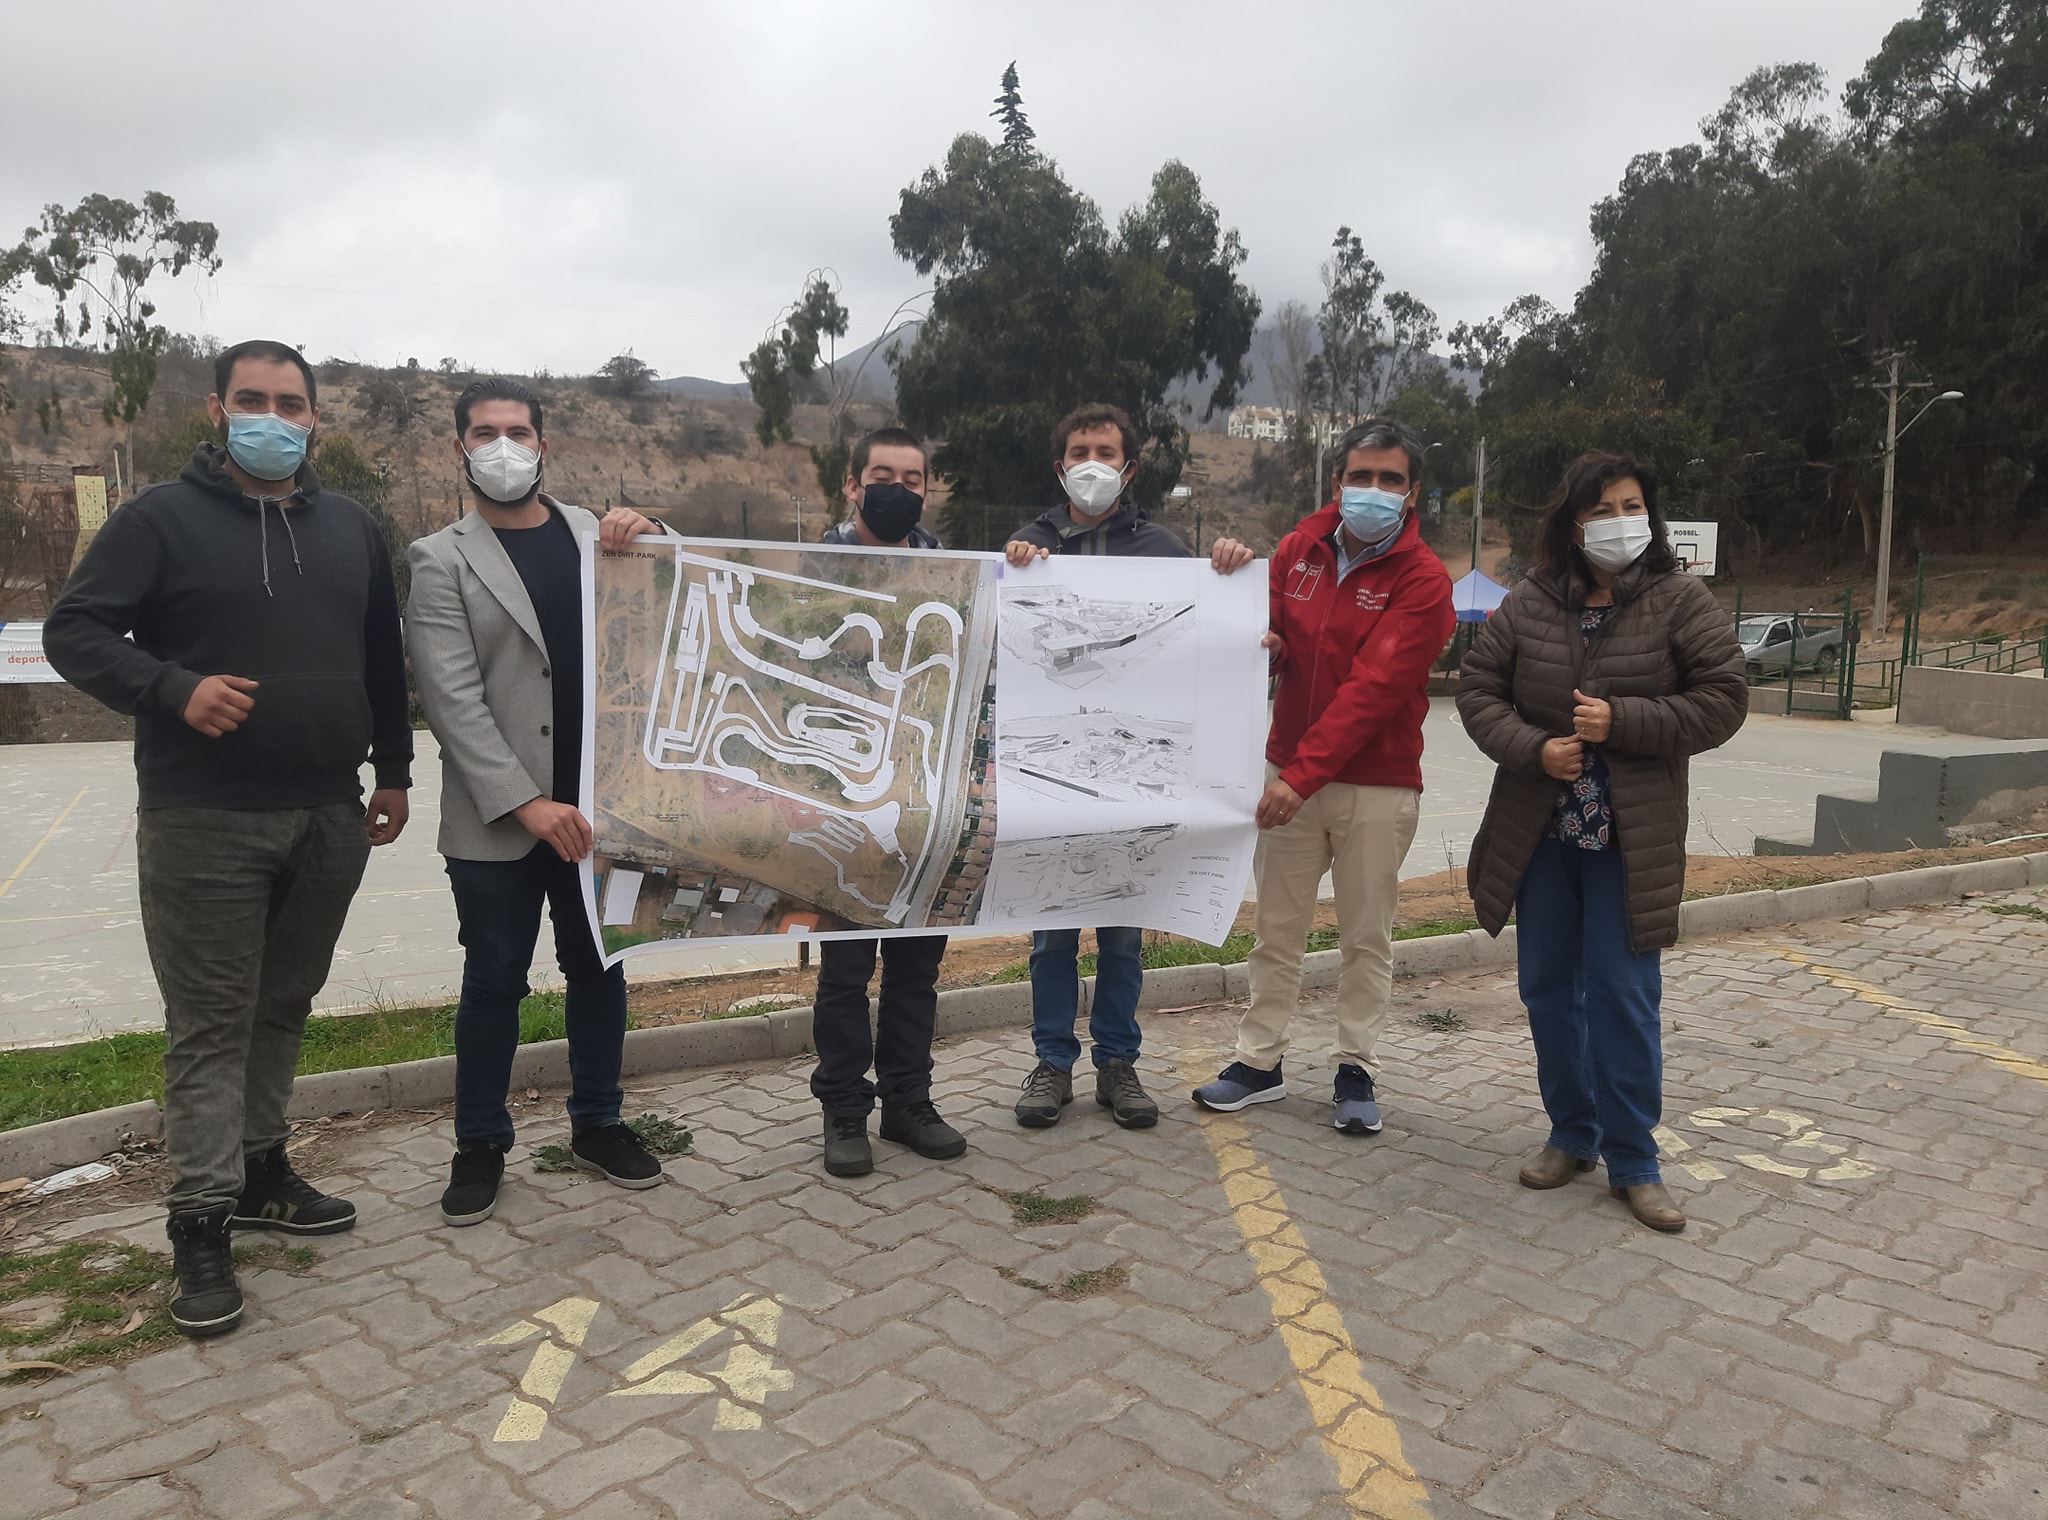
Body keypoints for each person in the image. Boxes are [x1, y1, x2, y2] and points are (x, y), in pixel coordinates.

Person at [44, 339, 413, 1337]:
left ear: (315, 421)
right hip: (202, 817)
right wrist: (172, 688)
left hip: (330, 811)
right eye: (251, 399)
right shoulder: (158, 518)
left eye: (289, 402)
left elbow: (382, 656)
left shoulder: (351, 527)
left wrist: (393, 770)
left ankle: (260, 1168)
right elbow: (72, 628)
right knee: (211, 1021)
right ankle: (199, 1222)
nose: (271, 416)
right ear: (216, 410)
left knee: (284, 1003)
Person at [1457, 452, 1745, 1232]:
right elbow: (1477, 690)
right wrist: (1533, 749)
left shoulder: (1680, 600)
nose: (1620, 519)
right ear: (1573, 522)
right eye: (1602, 508)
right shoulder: (1530, 602)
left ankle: (1634, 1159)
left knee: (1622, 996)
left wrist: (1626, 721)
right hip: (1542, 837)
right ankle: (1571, 1133)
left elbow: (1724, 700)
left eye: (1632, 504)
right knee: (1548, 990)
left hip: (1629, 840)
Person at [406, 378, 671, 1225]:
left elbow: (687, 577)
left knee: (599, 969)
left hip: (599, 811)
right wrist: (526, 803)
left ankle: (598, 1122)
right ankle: (479, 1143)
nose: (503, 445)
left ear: (544, 445)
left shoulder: (595, 534)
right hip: (499, 823)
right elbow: (451, 700)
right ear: (460, 449)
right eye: (485, 432)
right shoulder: (439, 557)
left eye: (518, 430)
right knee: (494, 981)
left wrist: (656, 530)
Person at [1192, 417, 1454, 1134]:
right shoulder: (1296, 552)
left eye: (1390, 480)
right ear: (1336, 482)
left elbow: (1373, 692)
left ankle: (1355, 1066)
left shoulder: (1425, 582)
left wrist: (1297, 777)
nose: (1374, 491)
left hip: (1374, 784)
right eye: (1361, 477)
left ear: (1412, 493)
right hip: (1290, 777)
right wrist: (1236, 589)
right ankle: (1259, 1061)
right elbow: (1264, 640)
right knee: (1277, 929)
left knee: (1366, 936)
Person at [1005, 403, 1253, 1131]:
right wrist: (1012, 568)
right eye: (1078, 450)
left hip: (1132, 775)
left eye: (1105, 451)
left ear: (1129, 467)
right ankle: (1053, 1062)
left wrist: (1233, 580)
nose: (1091, 462)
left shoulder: (1166, 550)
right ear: (1059, 466)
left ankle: (1118, 1062)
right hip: (1045, 779)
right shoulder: (1027, 548)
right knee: (1050, 929)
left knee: (1123, 928)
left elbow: (1209, 640)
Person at [810, 427, 968, 1177]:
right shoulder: (810, 571)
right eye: (881, 475)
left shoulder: (960, 576)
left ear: (927, 489)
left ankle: (908, 1101)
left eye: (912, 478)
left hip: (924, 801)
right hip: (842, 796)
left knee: (915, 969)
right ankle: (844, 1108)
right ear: (851, 484)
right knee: (845, 972)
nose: (897, 489)